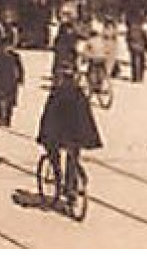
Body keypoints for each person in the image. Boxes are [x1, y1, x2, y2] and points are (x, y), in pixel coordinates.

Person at [36, 61, 102, 199]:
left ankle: (58, 176)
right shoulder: (80, 95)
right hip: (76, 135)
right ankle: (71, 185)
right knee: (73, 156)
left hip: (58, 135)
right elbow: (87, 118)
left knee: (53, 152)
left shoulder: (56, 94)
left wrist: (43, 135)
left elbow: (48, 117)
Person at [0, 46, 24, 127]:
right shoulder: (0, 56)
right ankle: (2, 118)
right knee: (0, 100)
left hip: (8, 82)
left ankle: (6, 119)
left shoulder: (14, 56)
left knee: (8, 101)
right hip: (4, 81)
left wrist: (20, 78)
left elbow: (20, 68)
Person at [125, 19, 147, 83]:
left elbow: (127, 39)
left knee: (134, 63)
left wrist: (129, 46)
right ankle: (140, 77)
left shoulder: (130, 30)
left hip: (133, 48)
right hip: (141, 48)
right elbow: (146, 39)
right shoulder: (141, 30)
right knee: (141, 63)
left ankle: (135, 77)